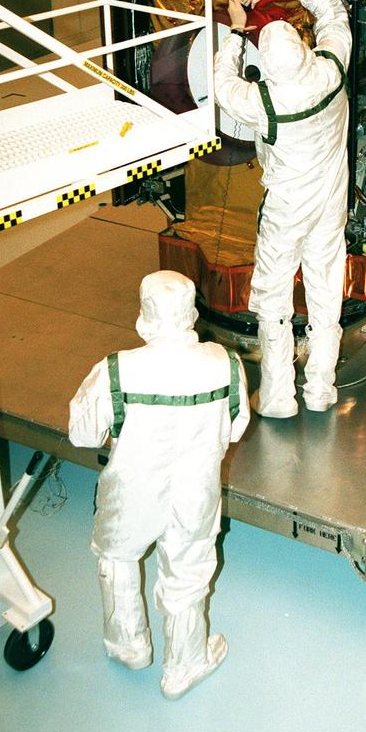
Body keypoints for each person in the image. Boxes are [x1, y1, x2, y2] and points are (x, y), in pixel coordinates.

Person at [68, 270, 249, 700]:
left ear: (145, 315)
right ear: (191, 312)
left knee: (117, 558)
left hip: (130, 489)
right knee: (188, 571)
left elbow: (82, 433)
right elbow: (237, 427)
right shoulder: (226, 363)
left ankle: (128, 645)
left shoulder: (116, 369)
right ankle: (184, 666)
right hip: (196, 490)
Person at [214, 0, 351, 418]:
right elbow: (333, 11)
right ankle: (320, 390)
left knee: (273, 299)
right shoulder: (331, 68)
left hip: (286, 210)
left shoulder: (264, 103)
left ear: (268, 69)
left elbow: (221, 84)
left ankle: (277, 399)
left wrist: (236, 30)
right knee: (326, 291)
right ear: (305, 48)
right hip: (330, 203)